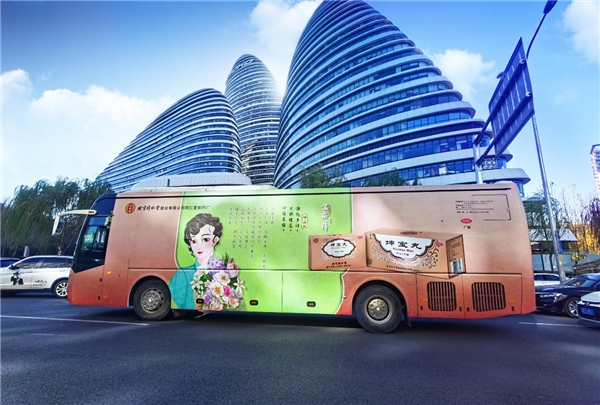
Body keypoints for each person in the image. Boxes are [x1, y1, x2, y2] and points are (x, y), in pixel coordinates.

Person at [169, 213, 241, 310]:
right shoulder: (183, 274)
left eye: (205, 239)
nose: (199, 246)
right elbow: (179, 303)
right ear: (189, 244)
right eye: (194, 241)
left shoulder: (225, 273)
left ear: (215, 240)